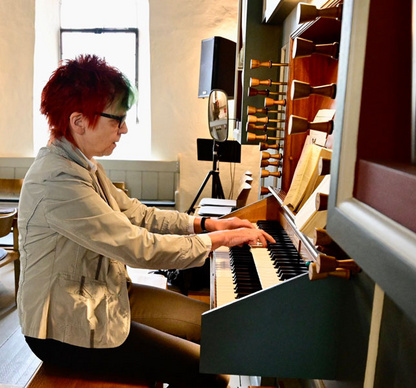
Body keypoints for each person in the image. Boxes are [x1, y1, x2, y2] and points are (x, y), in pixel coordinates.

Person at [17, 54, 274, 387]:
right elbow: (137, 247)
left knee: (218, 328)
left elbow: (137, 213)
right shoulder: (58, 181)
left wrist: (207, 225)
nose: (123, 128)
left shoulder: (83, 163)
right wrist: (219, 242)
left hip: (106, 293)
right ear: (78, 121)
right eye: (117, 119)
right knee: (208, 375)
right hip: (66, 326)